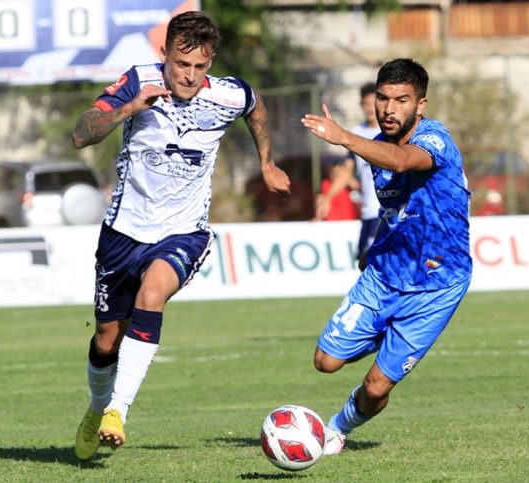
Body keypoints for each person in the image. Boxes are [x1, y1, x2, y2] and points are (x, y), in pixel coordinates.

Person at [71, 11, 291, 460]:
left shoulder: (230, 94)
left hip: (183, 231)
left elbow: (257, 108)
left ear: (211, 63)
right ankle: (96, 409)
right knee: (107, 339)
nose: (189, 77)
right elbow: (80, 134)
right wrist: (129, 109)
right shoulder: (137, 81)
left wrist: (266, 162)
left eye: (200, 67)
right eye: (181, 65)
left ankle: (118, 411)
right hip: (123, 232)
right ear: (164, 55)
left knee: (152, 295)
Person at [300, 58, 472, 454]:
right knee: (325, 361)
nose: (389, 108)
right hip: (384, 274)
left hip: (437, 285)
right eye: (382, 98)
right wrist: (376, 247)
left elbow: (403, 161)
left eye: (401, 99)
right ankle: (384, 333)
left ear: (421, 104)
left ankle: (336, 428)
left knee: (376, 388)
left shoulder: (435, 140)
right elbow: (394, 208)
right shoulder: (376, 148)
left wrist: (344, 137)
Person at [315, 83, 381, 260]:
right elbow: (346, 171)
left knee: (374, 264)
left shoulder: (389, 132)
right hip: (367, 212)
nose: (370, 108)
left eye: (373, 103)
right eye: (366, 104)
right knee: (363, 262)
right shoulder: (356, 133)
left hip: (385, 212)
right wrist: (327, 198)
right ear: (361, 105)